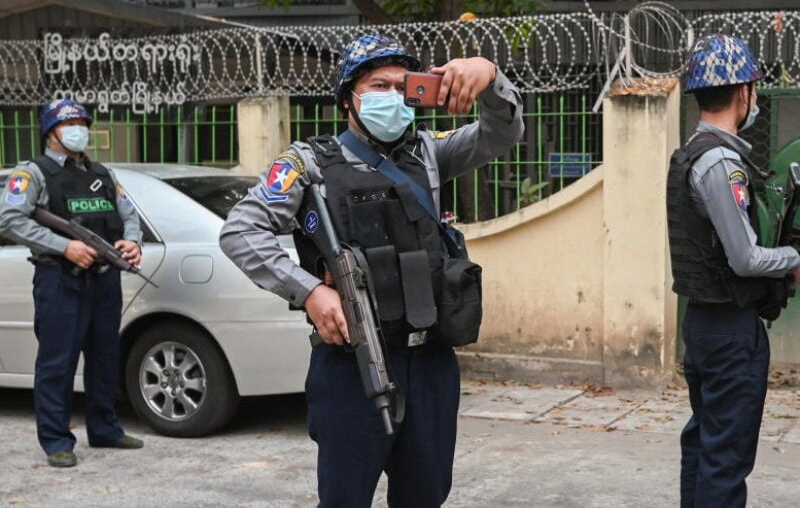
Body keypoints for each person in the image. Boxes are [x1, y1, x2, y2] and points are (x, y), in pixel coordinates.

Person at [220, 34, 523, 506]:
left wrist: (488, 75)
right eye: (378, 85)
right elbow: (241, 231)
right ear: (349, 99)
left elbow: (500, 133)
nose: (392, 97)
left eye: (403, 87)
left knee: (426, 495)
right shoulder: (307, 164)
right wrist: (310, 292)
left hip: (430, 361)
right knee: (344, 498)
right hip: (350, 365)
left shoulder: (429, 153)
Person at [668, 35, 800, 507]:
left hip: (705, 324)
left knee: (704, 447)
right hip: (729, 333)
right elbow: (745, 259)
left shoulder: (692, 152)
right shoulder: (722, 163)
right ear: (743, 91)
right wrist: (794, 259)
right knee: (725, 459)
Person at [0, 99, 145, 468]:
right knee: (57, 362)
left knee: (104, 357)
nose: (80, 129)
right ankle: (55, 440)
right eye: (71, 123)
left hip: (104, 279)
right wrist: (65, 246)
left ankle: (105, 428)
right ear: (52, 131)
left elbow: (128, 215)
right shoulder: (31, 173)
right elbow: (10, 220)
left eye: (83, 122)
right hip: (59, 279)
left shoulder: (103, 173)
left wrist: (132, 242)